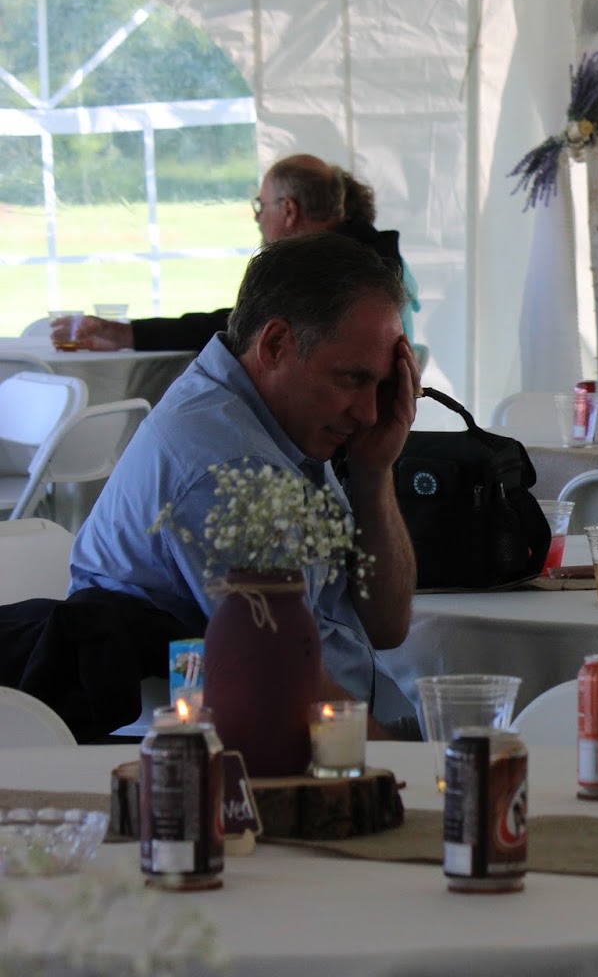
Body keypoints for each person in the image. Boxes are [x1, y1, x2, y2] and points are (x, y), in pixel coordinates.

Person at [69, 231, 420, 734]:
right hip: (232, 750)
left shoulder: (278, 420)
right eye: (353, 378)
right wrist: (409, 767)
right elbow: (292, 693)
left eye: (382, 384)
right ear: (275, 344)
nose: (369, 413)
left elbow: (385, 626)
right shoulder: (231, 468)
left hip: (326, 725)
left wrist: (374, 470)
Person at [52, 153, 421, 351]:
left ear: (289, 211)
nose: (257, 218)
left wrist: (126, 334)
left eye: (262, 206)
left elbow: (239, 328)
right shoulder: (372, 253)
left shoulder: (333, 268)